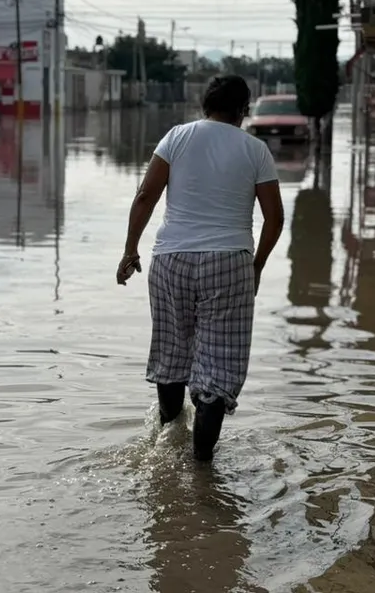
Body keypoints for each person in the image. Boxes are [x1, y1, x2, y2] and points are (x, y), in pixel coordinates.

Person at [116, 74, 285, 462]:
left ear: (204, 105)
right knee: (219, 370)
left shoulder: (176, 137)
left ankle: (166, 448)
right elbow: (274, 219)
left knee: (171, 355)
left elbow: (145, 196)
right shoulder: (255, 150)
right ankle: (201, 469)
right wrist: (256, 266)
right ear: (244, 110)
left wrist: (130, 250)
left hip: (170, 260)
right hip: (229, 263)